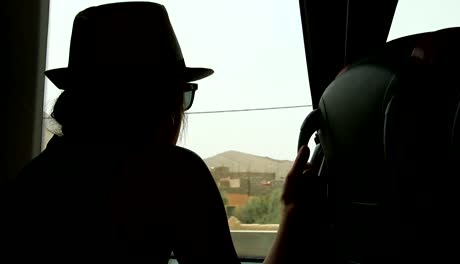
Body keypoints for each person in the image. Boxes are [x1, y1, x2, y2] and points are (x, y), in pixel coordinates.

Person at [11, 2, 317, 263]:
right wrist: (291, 211)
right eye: (182, 96)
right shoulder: (174, 174)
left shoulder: (34, 178)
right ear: (158, 103)